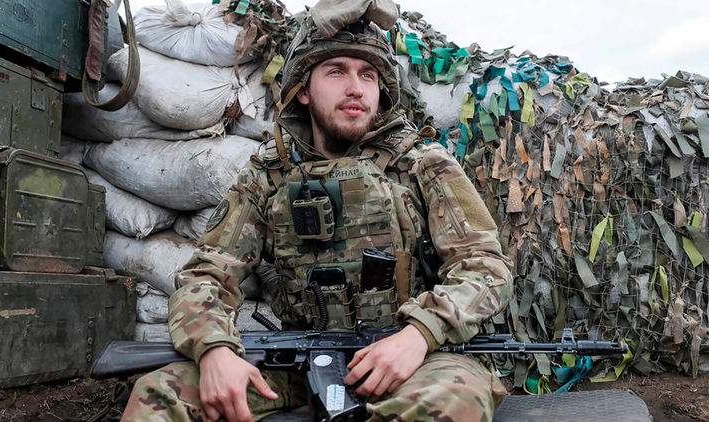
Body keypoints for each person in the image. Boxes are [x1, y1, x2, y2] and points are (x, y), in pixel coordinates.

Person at [122, 0, 513, 420]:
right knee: (160, 392)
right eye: (336, 71)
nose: (355, 87)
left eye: (368, 75)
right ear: (304, 90)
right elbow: (207, 274)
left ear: (381, 91)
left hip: (412, 357)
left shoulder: (423, 164)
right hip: (300, 362)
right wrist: (214, 348)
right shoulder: (268, 176)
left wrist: (420, 332)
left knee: (453, 398)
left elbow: (485, 267)